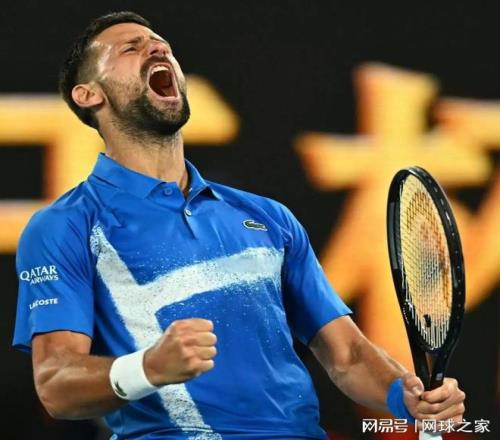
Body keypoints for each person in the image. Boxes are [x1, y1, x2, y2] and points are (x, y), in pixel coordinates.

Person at [12, 11, 465, 440]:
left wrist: (404, 395)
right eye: (131, 48)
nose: (158, 50)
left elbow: (347, 355)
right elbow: (56, 385)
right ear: (89, 95)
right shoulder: (66, 226)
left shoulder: (270, 218)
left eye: (161, 45)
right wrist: (147, 368)